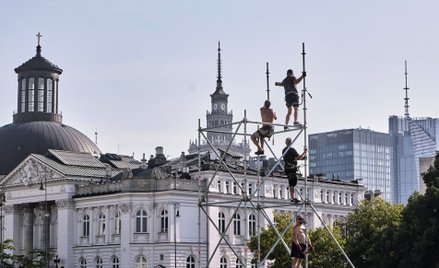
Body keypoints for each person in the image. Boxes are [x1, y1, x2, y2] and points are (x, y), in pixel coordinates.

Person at [282, 137, 307, 203]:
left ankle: (293, 197)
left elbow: (295, 158)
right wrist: (304, 152)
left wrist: (302, 157)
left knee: (291, 183)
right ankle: (293, 197)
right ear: (291, 142)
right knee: (293, 183)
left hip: (287, 168)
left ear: (285, 142)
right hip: (291, 169)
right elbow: (299, 157)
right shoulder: (292, 150)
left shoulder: (284, 150)